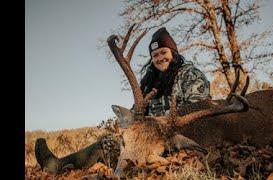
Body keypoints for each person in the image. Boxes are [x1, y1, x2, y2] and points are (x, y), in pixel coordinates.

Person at [34, 27, 211, 174]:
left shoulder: (191, 75)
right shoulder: (149, 81)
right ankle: (56, 166)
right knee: (109, 142)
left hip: (177, 139)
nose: (159, 58)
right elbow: (136, 116)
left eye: (163, 52)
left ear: (173, 52)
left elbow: (197, 111)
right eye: (155, 55)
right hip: (146, 140)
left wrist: (155, 126)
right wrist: (130, 127)